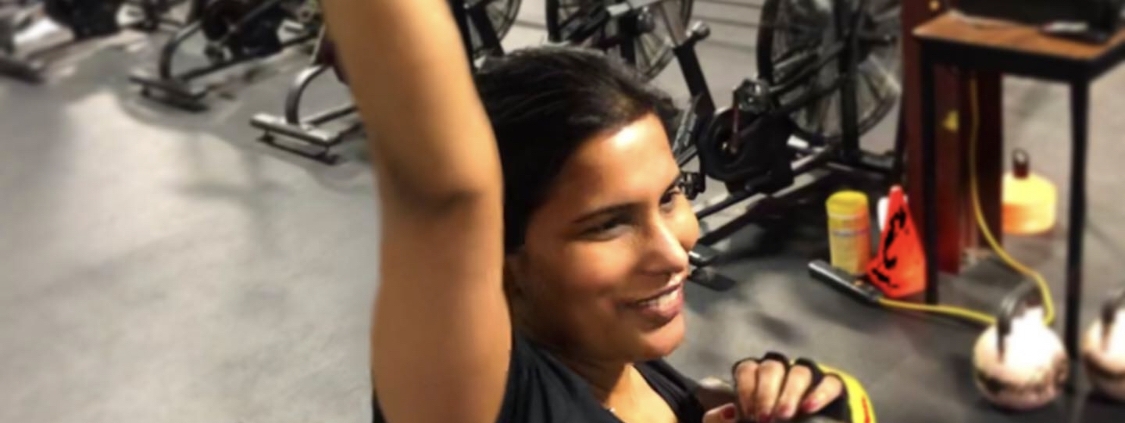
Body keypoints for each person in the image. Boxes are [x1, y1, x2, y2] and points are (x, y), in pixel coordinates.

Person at [321, 1, 874, 422]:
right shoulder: (497, 399)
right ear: (500, 259)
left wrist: (789, 399)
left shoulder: (614, 353)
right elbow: (447, 195)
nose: (674, 254)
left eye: (670, 196)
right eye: (609, 224)